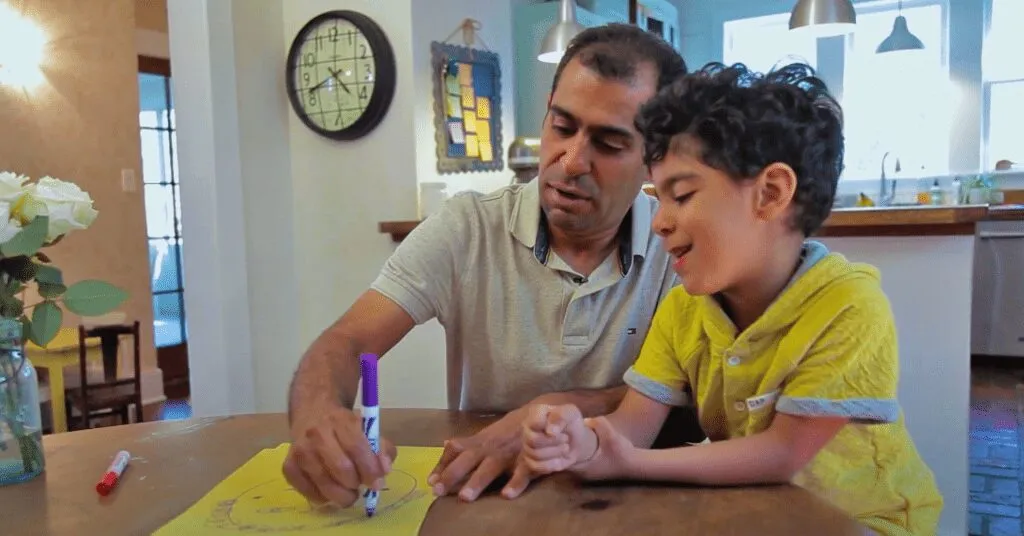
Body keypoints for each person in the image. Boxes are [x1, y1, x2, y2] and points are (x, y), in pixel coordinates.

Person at [514, 62, 944, 535]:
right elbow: (633, 424)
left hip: (865, 523)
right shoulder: (682, 310)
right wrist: (583, 442)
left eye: (681, 195)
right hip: (757, 516)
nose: (659, 221)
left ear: (771, 193)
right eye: (659, 197)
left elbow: (783, 453)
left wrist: (629, 463)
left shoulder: (848, 304)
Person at [282, 23, 688, 508]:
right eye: (562, 127)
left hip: (638, 501)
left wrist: (558, 411)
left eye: (609, 144)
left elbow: (701, 401)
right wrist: (317, 414)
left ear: (655, 158)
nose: (571, 161)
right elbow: (349, 341)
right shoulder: (467, 228)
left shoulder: (679, 248)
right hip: (489, 501)